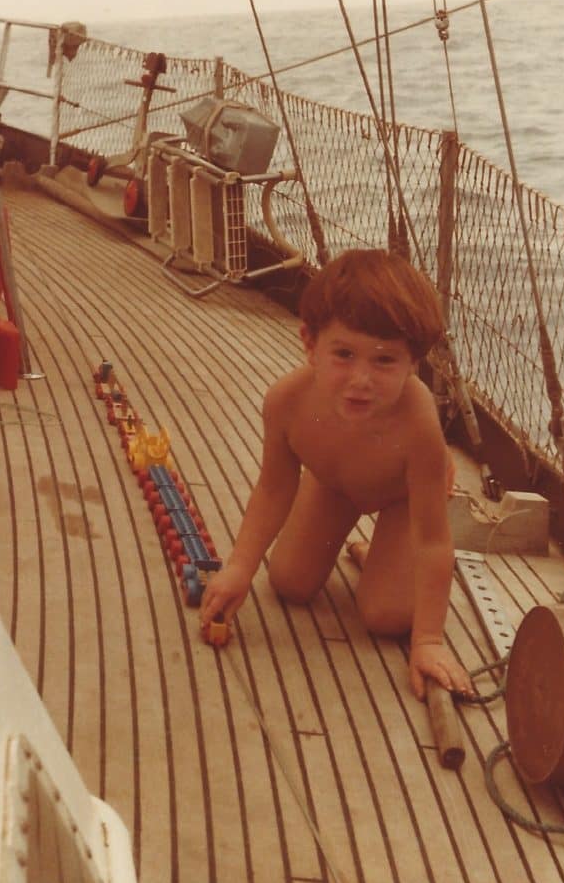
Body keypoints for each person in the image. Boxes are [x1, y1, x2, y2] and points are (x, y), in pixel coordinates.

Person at [200, 248, 471, 700]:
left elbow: (432, 539)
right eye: (343, 354)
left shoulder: (419, 422)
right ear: (310, 344)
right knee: (288, 582)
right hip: (334, 482)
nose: (361, 379)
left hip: (405, 496)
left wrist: (428, 641)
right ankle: (371, 552)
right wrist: (239, 568)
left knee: (384, 616)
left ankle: (382, 554)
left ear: (413, 363)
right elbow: (273, 488)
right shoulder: (286, 401)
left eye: (385, 361)